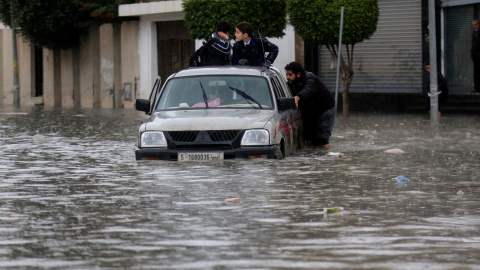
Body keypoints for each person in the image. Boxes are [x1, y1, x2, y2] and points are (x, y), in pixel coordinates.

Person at [284, 62, 336, 148]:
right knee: (310, 140)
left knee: (322, 140)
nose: (287, 77)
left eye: (290, 74)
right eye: (286, 74)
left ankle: (326, 159)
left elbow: (309, 90)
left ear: (298, 74)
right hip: (312, 112)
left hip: (325, 111)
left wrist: (298, 96)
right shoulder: (292, 83)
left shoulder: (310, 79)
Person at [472, 19, 480, 93]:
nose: (475, 26)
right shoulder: (474, 33)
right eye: (473, 25)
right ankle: (477, 88)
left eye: (476, 25)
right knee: (476, 73)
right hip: (475, 57)